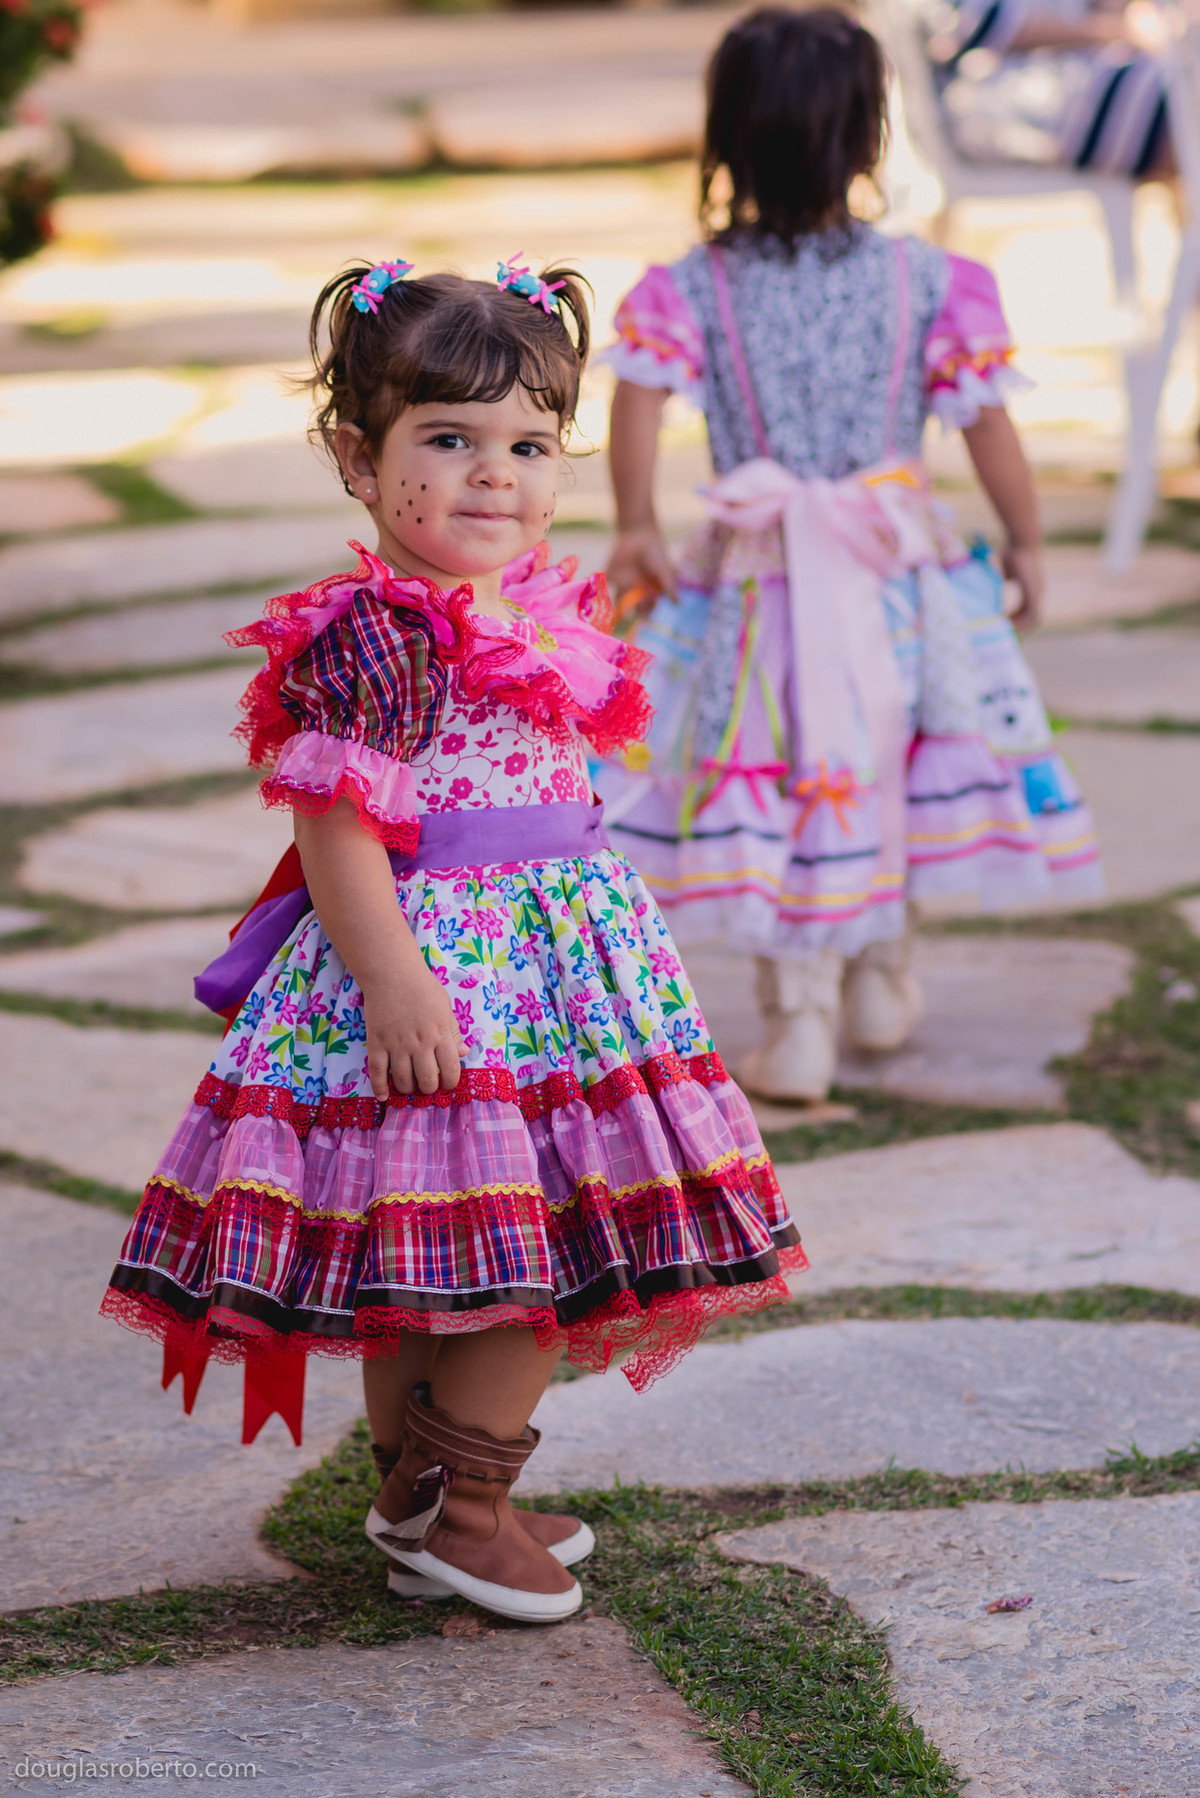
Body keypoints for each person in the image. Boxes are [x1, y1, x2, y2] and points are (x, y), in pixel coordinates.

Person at [100, 254, 806, 1625]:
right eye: (449, 440)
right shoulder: (379, 635)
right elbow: (335, 825)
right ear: (358, 460)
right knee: (503, 1250)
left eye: (531, 443)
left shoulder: (536, 607)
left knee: (441, 1253)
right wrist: (393, 983)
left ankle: (425, 1487)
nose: (497, 475)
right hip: (450, 983)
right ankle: (456, 1505)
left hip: (558, 979)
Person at [595, 6, 1102, 1108]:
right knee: (885, 761)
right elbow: (988, 428)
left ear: (725, 137)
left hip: (755, 584)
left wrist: (635, 519)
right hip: (898, 583)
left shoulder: (692, 286)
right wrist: (1023, 537)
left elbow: (637, 394)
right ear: (871, 138)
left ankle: (803, 1018)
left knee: (782, 776)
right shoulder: (931, 282)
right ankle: (880, 975)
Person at [920, 0, 1175, 178]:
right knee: (1180, 95)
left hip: (1079, 69)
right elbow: (978, 23)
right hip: (1013, 98)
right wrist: (1118, 29)